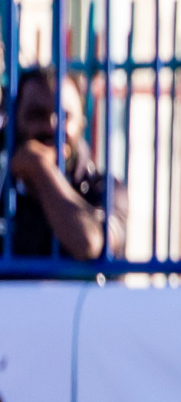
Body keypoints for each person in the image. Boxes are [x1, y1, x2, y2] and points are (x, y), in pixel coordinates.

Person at [4, 68, 127, 261]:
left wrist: (40, 167)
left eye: (64, 116)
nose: (52, 126)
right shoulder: (5, 189)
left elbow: (89, 243)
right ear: (15, 122)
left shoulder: (106, 189)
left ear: (81, 124)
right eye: (36, 115)